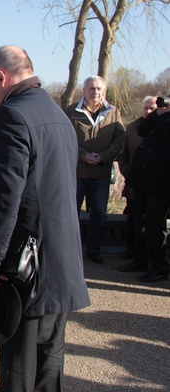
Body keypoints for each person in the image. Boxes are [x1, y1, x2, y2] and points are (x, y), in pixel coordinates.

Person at [0, 45, 90, 391]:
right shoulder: (58, 115)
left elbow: (2, 199)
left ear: (1, 76)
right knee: (49, 358)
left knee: (18, 366)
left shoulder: (10, 116)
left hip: (27, 263)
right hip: (60, 257)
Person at [67, 75, 125, 264]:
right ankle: (70, 251)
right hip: (77, 173)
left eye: (99, 89)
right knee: (71, 212)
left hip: (100, 173)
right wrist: (82, 154)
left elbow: (119, 139)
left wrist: (103, 157)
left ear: (104, 91)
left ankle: (94, 250)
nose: (96, 92)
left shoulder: (113, 112)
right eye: (92, 88)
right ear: (84, 90)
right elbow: (66, 137)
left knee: (99, 213)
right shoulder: (71, 111)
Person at [125, 95, 170, 283]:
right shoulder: (156, 120)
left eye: (158, 107)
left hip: (159, 185)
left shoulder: (166, 122)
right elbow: (142, 131)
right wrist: (156, 115)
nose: (154, 110)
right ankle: (140, 260)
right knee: (138, 223)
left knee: (155, 227)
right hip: (142, 182)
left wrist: (164, 117)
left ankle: (159, 267)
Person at [117, 96, 157, 270]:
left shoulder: (163, 128)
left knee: (154, 225)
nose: (148, 112)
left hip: (156, 187)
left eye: (152, 108)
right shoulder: (132, 128)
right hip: (134, 184)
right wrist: (130, 174)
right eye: (146, 108)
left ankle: (153, 260)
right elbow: (123, 155)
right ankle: (136, 255)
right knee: (135, 221)